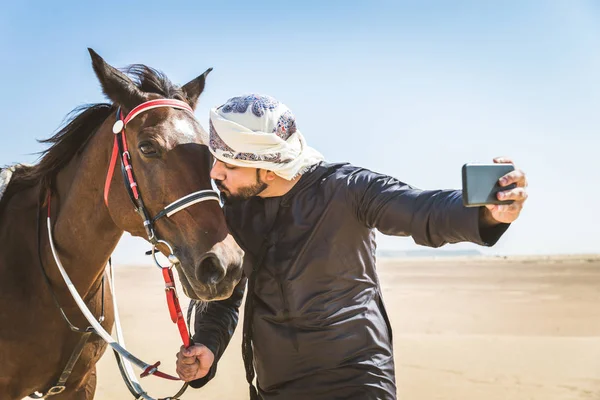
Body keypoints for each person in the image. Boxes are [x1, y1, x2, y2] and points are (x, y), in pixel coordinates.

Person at [175, 94, 528, 400]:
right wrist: (208, 343)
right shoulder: (237, 209)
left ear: (268, 168)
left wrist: (487, 214)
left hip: (355, 381)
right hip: (275, 386)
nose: (215, 172)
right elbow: (227, 294)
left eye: (230, 164)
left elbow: (424, 211)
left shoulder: (347, 190)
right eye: (215, 158)